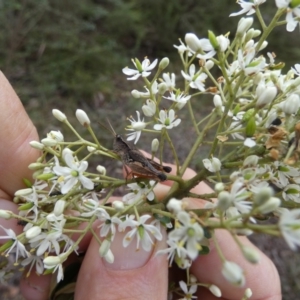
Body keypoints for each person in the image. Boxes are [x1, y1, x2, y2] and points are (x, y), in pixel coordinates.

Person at [0, 71, 281, 300]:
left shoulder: (129, 155)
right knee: (144, 168)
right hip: (141, 178)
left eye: (118, 142)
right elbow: (126, 161)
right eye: (118, 142)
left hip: (148, 173)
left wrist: (148, 173)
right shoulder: (122, 151)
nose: (117, 144)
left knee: (152, 169)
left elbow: (134, 164)